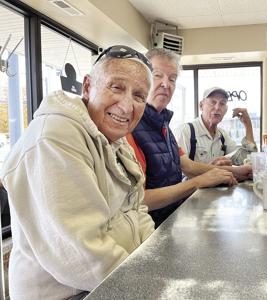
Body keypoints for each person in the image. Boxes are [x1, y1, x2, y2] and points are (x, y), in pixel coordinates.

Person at [0, 45, 155, 300]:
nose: (127, 106)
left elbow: (136, 208)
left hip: (117, 278)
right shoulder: (54, 137)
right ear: (87, 86)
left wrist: (154, 261)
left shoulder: (115, 138)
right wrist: (149, 286)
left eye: (139, 96)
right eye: (116, 87)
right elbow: (83, 255)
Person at [128, 48, 252, 227]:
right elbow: (137, 200)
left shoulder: (163, 126)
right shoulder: (131, 126)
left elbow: (188, 166)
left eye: (172, 79)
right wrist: (198, 183)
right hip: (148, 231)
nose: (165, 84)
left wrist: (238, 171)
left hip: (172, 220)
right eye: (157, 75)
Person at [176, 87, 257, 166]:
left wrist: (248, 125)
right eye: (213, 102)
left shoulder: (222, 136)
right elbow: (180, 170)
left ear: (226, 110)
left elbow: (246, 159)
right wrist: (212, 169)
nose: (217, 107)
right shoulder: (186, 131)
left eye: (222, 103)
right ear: (201, 105)